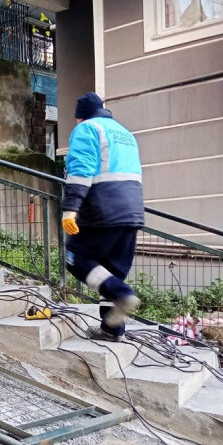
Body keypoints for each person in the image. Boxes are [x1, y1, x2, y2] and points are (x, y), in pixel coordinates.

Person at [61, 92, 143, 341]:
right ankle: (111, 330)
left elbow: (80, 170)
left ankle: (121, 294)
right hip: (132, 212)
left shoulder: (87, 128)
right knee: (111, 270)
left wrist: (70, 210)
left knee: (76, 258)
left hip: (102, 209)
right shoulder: (125, 133)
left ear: (80, 116)